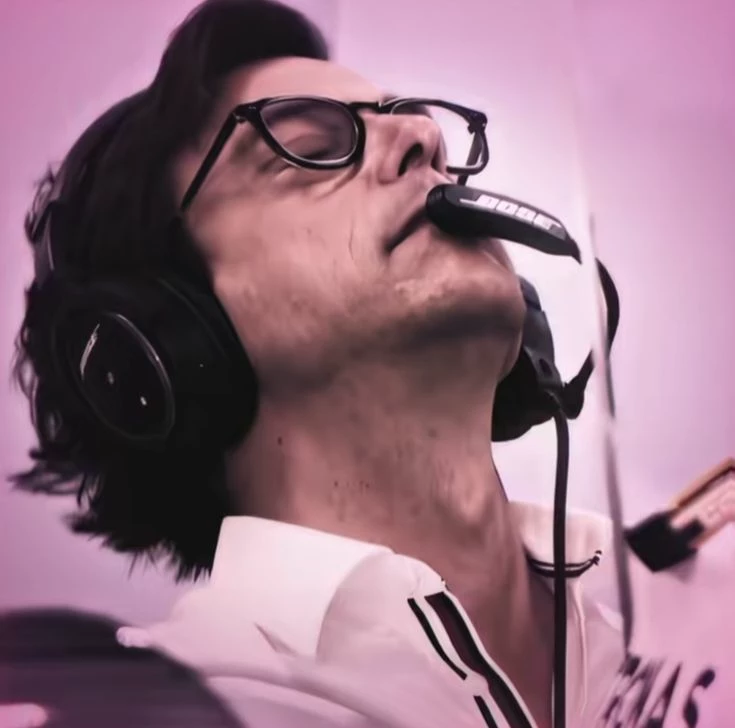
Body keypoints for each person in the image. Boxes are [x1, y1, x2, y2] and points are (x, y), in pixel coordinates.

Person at [10, 0, 625, 726]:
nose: (425, 136)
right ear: (169, 338)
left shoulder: (695, 586)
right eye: (309, 144)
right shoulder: (150, 712)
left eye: (414, 123)